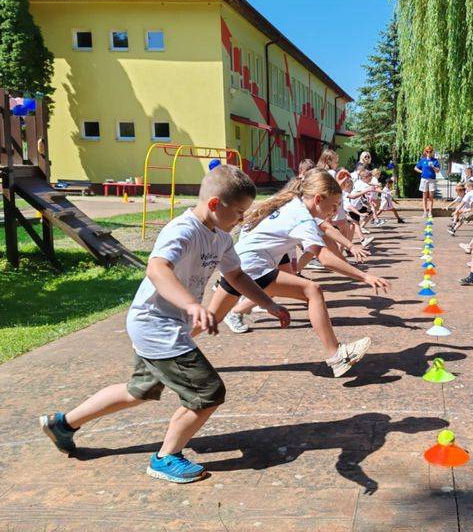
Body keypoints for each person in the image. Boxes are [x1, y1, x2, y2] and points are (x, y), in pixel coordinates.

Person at [39, 165, 292, 483]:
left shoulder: (221, 238)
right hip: (156, 324)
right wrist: (191, 304)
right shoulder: (183, 230)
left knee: (140, 390)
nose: (242, 219)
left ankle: (63, 424)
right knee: (207, 392)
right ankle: (165, 458)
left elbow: (237, 276)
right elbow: (157, 269)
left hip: (164, 325)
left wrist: (268, 303)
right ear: (214, 204)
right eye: (239, 212)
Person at [207, 170, 390, 378]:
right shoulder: (303, 219)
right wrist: (364, 276)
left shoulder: (295, 202)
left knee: (210, 318)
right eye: (333, 206)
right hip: (252, 266)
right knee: (313, 290)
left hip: (240, 263)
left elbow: (325, 238)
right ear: (318, 199)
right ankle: (337, 355)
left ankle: (164, 352)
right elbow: (325, 258)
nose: (334, 211)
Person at [414, 145, 440, 218]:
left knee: (431, 196)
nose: (429, 152)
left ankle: (430, 212)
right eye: (427, 151)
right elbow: (415, 168)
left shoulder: (435, 160)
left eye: (430, 151)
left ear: (432, 152)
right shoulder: (423, 160)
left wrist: (433, 167)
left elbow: (438, 171)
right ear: (425, 152)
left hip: (432, 179)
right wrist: (421, 171)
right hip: (424, 179)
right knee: (424, 196)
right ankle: (425, 212)